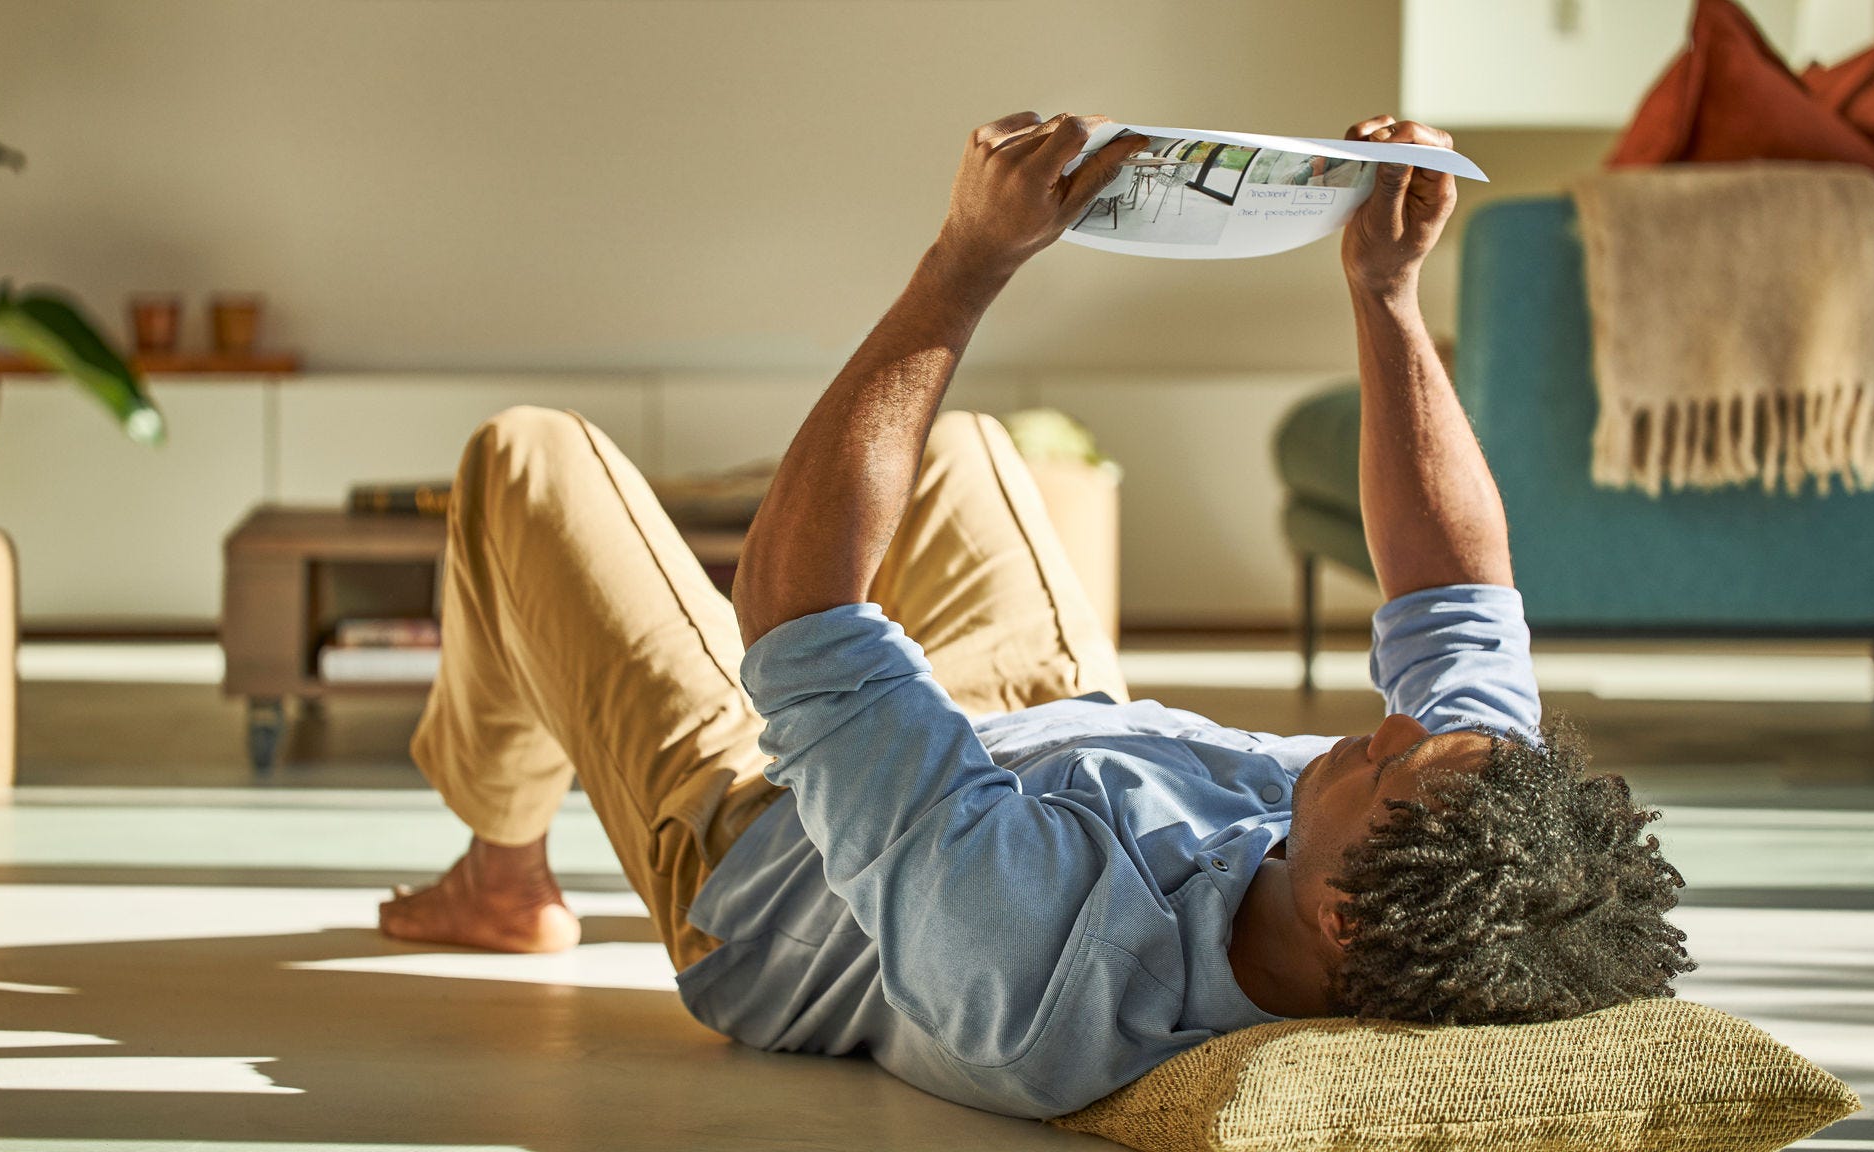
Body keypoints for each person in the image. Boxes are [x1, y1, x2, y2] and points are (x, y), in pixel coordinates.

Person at [378, 111, 1695, 1119]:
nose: (1387, 734)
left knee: (526, 462)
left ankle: (502, 867)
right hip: (1042, 739)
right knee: (974, 452)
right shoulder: (1469, 842)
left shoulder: (1030, 967)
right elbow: (1456, 603)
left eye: (1391, 768)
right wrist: (1387, 291)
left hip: (770, 845)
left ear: (1344, 919)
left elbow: (798, 616)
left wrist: (963, 264)